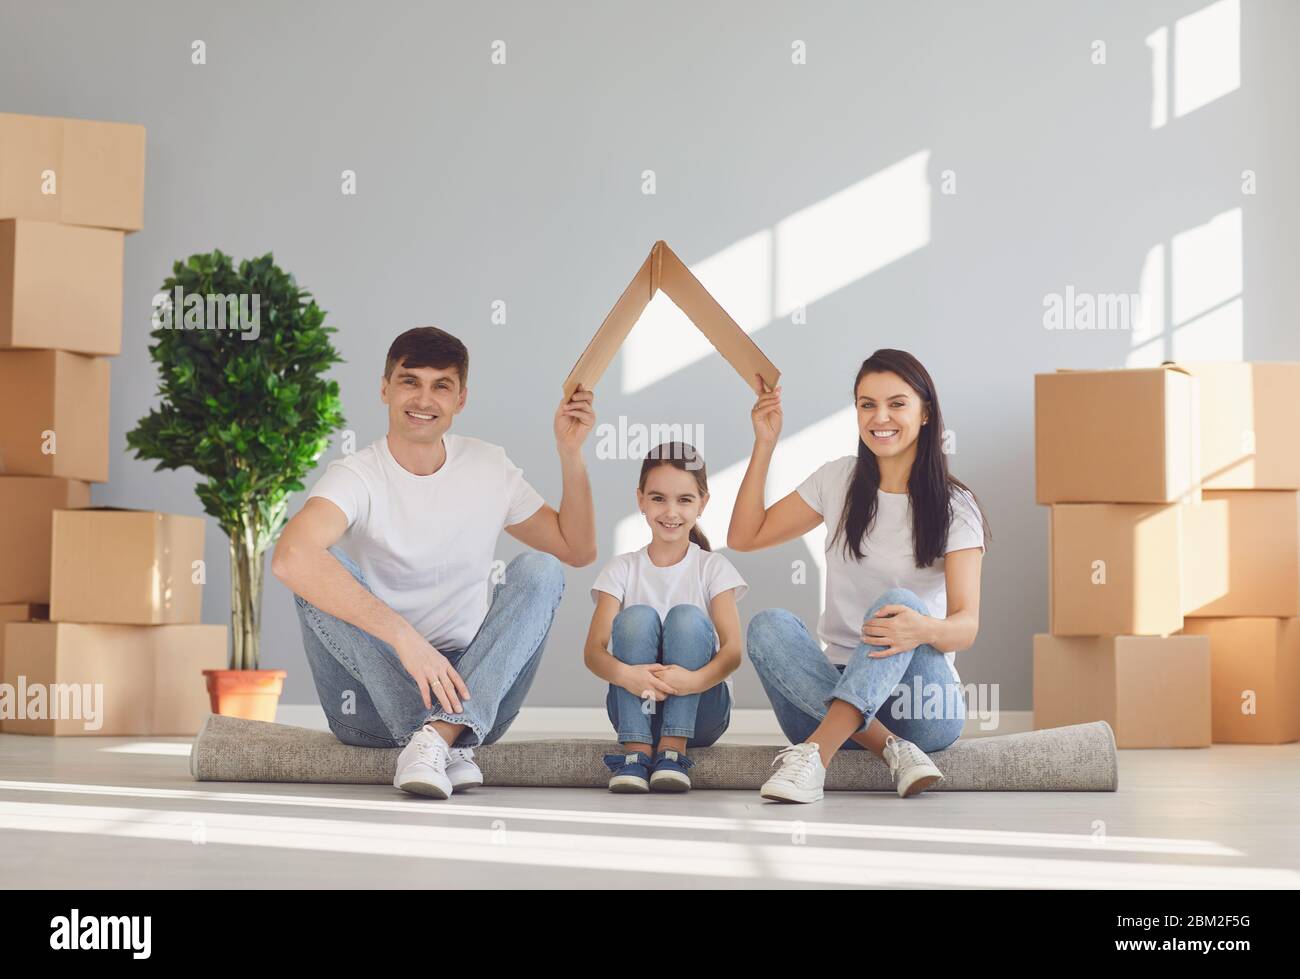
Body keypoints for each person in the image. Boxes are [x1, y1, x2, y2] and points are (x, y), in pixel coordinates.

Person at [271, 326, 598, 799]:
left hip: (471, 689)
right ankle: (449, 742)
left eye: (441, 385)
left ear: (460, 399)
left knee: (540, 570)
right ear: (385, 388)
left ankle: (438, 738)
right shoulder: (357, 474)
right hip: (370, 707)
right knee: (323, 566)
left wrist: (571, 453)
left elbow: (577, 549)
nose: (424, 398)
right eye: (410, 381)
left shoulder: (489, 466)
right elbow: (289, 558)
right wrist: (406, 640)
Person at [728, 349, 989, 802]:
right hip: (822, 696)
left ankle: (815, 756)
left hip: (921, 704)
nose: (879, 417)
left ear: (925, 413)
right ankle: (890, 749)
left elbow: (965, 627)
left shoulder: (955, 507)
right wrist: (765, 443)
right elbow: (744, 535)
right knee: (767, 625)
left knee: (901, 603)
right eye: (867, 404)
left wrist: (920, 627)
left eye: (897, 404)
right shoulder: (838, 481)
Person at [582, 442, 745, 793]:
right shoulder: (621, 569)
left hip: (702, 710)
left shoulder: (712, 567)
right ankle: (636, 753)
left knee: (686, 617)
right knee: (636, 618)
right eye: (658, 499)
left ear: (703, 503)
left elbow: (733, 652)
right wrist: (628, 675)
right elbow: (593, 653)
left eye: (684, 500)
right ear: (640, 500)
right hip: (635, 709)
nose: (671, 511)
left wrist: (694, 681)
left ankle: (673, 751)